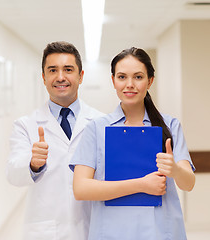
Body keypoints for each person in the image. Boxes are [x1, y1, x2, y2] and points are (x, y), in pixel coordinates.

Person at [69, 47, 195, 239]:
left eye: (138, 77)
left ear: (150, 81)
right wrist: (141, 185)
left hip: (159, 231)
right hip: (112, 231)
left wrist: (175, 170)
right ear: (113, 81)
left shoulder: (170, 126)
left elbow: (188, 184)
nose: (130, 84)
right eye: (122, 77)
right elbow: (81, 189)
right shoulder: (97, 129)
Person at [7, 41, 103, 240]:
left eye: (68, 69)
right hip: (47, 231)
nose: (60, 77)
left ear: (81, 76)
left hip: (93, 226)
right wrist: (33, 164)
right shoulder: (26, 125)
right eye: (53, 70)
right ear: (43, 77)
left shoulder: (102, 123)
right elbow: (13, 175)